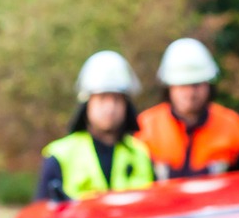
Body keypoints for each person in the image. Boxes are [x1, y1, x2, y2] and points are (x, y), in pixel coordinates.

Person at [35, 51, 155, 203]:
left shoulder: (140, 154)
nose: (110, 107)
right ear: (87, 103)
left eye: (117, 99)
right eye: (102, 98)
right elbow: (40, 215)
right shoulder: (60, 155)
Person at [136, 38, 239, 179]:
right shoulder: (146, 127)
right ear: (169, 87)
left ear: (209, 85)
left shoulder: (231, 126)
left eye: (196, 85)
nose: (190, 93)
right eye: (182, 85)